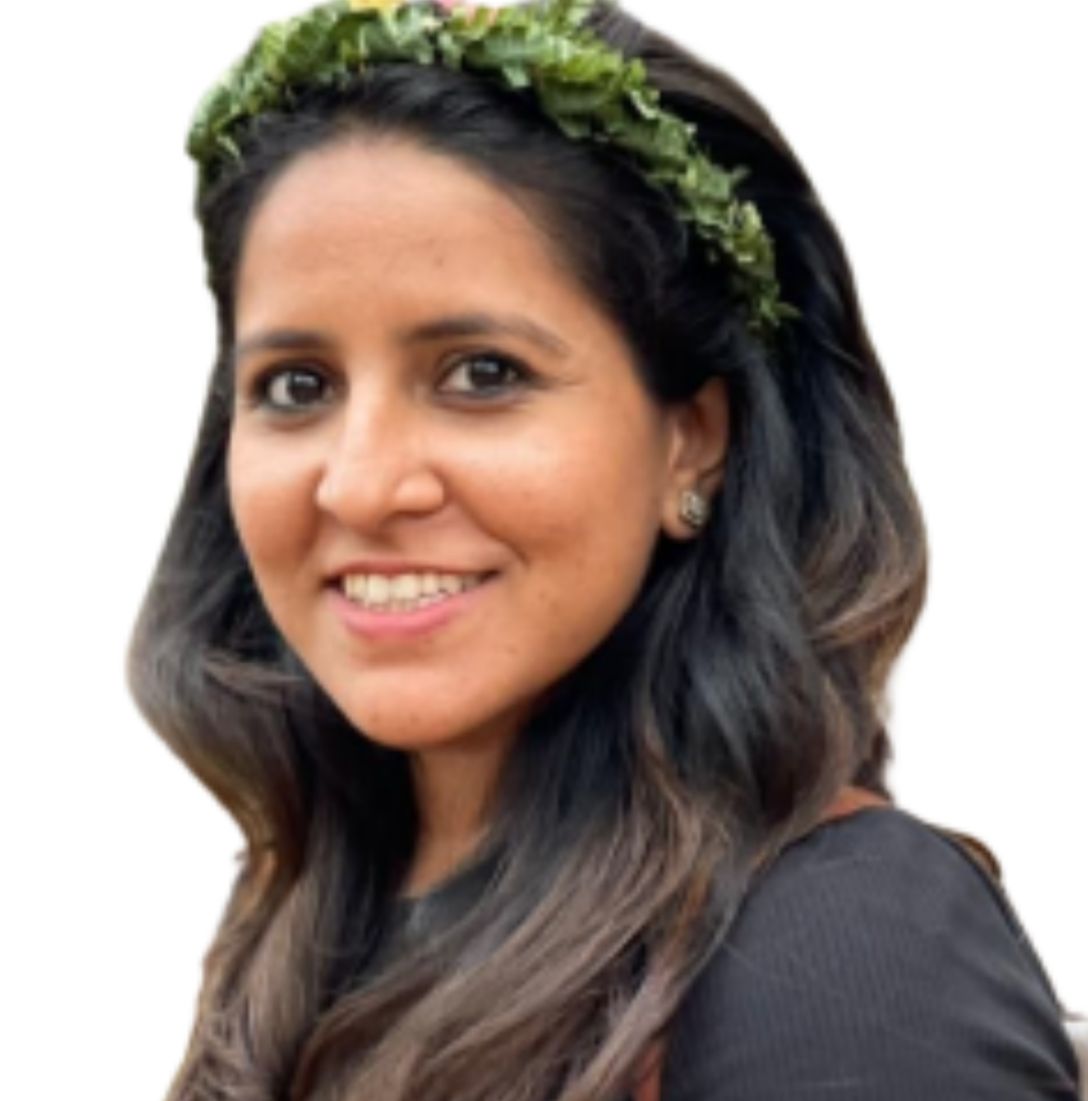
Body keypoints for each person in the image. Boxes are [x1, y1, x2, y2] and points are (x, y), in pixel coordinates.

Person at [128, 1, 1082, 1098]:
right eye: (298, 385)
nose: (359, 483)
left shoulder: (840, 956)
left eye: (482, 374)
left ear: (693, 440)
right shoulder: (302, 921)